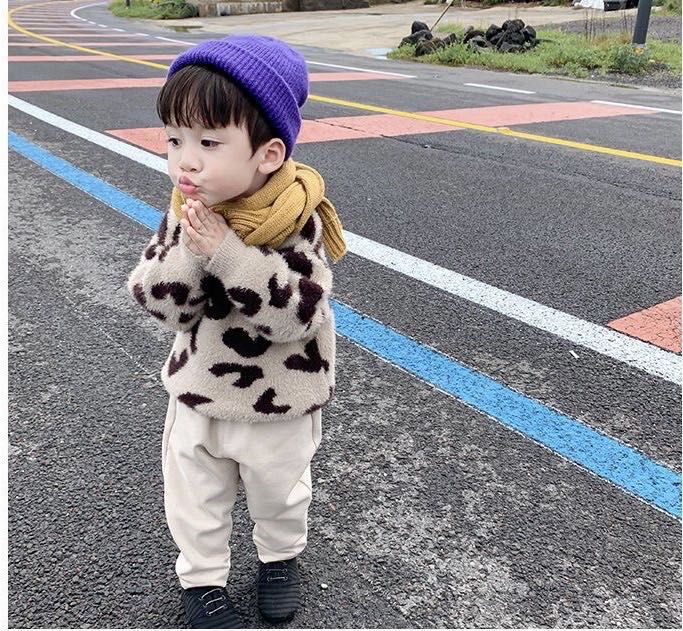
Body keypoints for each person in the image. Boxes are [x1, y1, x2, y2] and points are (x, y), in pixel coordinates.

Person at [127, 35, 347, 629]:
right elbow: (161, 302)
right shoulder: (187, 210)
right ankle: (202, 581)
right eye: (174, 140)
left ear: (268, 154)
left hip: (281, 397)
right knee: (194, 496)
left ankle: (279, 559)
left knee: (280, 493)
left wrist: (227, 254)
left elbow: (298, 315)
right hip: (199, 389)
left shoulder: (294, 219)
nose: (185, 161)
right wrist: (191, 249)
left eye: (208, 142)